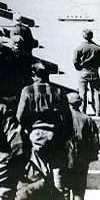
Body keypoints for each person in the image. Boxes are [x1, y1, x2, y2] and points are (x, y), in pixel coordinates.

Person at [16, 62, 72, 197]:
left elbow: (20, 116)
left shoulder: (27, 90)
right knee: (56, 170)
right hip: (55, 135)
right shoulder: (58, 91)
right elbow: (67, 118)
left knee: (39, 171)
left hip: (35, 135)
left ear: (34, 74)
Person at [65, 91, 100, 200]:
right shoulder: (87, 119)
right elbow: (95, 141)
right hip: (82, 160)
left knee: (65, 190)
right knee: (79, 191)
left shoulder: (63, 118)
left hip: (65, 160)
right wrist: (91, 156)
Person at [73, 29, 100, 116]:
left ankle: (82, 112)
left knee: (82, 93)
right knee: (96, 93)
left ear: (84, 36)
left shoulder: (79, 48)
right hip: (95, 72)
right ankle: (98, 112)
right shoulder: (98, 48)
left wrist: (79, 68)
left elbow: (75, 61)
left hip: (83, 72)